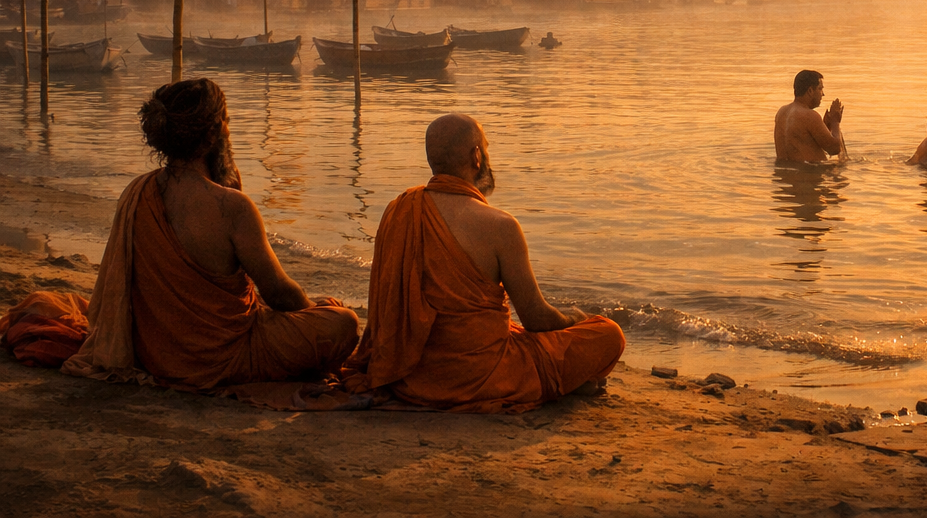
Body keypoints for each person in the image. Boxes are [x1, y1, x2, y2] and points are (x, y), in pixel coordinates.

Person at [63, 78, 359, 388]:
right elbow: (279, 294)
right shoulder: (231, 206)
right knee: (343, 321)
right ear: (214, 134)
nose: (230, 131)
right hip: (224, 356)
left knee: (325, 304)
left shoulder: (136, 192)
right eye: (227, 122)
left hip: (155, 353)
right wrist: (313, 313)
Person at [342, 113, 625, 412]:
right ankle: (564, 380)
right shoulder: (500, 225)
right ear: (477, 156)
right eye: (486, 147)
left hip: (406, 375)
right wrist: (576, 319)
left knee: (513, 330)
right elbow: (537, 319)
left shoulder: (398, 210)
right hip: (481, 375)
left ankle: (567, 379)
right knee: (608, 333)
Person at [774, 69, 846, 164]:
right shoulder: (810, 115)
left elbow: (806, 142)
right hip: (809, 174)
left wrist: (827, 126)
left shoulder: (782, 112)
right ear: (810, 91)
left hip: (786, 174)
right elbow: (835, 149)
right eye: (820, 89)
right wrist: (835, 122)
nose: (823, 94)